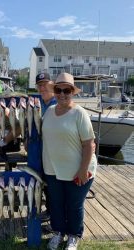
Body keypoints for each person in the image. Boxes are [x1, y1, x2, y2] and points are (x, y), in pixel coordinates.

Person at [42, 72, 97, 250]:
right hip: (52, 169)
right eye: (58, 90)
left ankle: (74, 235)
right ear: (55, 91)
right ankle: (58, 232)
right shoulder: (49, 111)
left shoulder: (79, 113)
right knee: (56, 204)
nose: (62, 94)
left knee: (74, 206)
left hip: (78, 170)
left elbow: (89, 144)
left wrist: (83, 170)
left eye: (67, 90)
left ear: (72, 92)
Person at [35, 73, 56, 222]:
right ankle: (49, 210)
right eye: (39, 85)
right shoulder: (38, 102)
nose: (42, 87)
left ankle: (55, 214)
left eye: (45, 84)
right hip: (42, 149)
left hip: (55, 150)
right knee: (44, 181)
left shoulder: (57, 102)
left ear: (52, 84)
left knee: (54, 184)